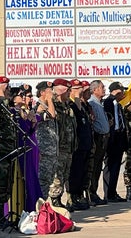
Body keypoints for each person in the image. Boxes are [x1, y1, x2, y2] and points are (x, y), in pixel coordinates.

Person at [0, 75, 17, 223]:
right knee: (0, 183)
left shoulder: (6, 104)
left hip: (9, 150)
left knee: (8, 182)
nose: (9, 91)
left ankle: (3, 214)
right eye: (6, 88)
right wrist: (0, 95)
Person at [11, 85, 43, 213]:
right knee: (22, 179)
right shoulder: (12, 112)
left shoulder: (24, 111)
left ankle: (32, 206)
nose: (24, 97)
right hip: (18, 148)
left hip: (29, 147)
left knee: (31, 178)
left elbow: (29, 130)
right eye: (21, 95)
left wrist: (32, 121)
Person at [49, 78, 77, 210]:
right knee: (57, 177)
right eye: (67, 91)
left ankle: (59, 199)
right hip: (58, 148)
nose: (69, 93)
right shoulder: (53, 105)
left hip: (68, 147)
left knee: (65, 174)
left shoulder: (67, 106)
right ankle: (55, 200)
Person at [67, 79, 91, 210]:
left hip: (85, 144)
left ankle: (79, 195)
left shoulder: (82, 105)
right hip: (76, 145)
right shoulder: (71, 105)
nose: (81, 92)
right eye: (78, 90)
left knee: (82, 172)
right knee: (75, 173)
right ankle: (73, 197)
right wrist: (76, 97)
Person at [103, 82, 129, 202]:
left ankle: (113, 192)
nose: (123, 94)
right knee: (110, 166)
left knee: (116, 167)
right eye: (121, 91)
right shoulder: (109, 102)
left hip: (119, 138)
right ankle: (109, 193)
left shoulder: (118, 104)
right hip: (112, 138)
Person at [34, 81, 57, 202]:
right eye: (49, 91)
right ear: (42, 92)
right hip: (44, 150)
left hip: (51, 150)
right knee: (43, 180)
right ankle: (40, 207)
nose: (52, 93)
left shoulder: (48, 105)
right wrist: (49, 100)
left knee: (49, 180)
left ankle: (44, 207)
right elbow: (52, 115)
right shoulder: (39, 107)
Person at [87, 80, 109, 206]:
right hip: (97, 138)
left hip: (103, 138)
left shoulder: (99, 104)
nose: (104, 89)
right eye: (101, 87)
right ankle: (91, 193)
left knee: (97, 168)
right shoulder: (92, 103)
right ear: (94, 90)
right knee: (93, 168)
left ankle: (94, 192)